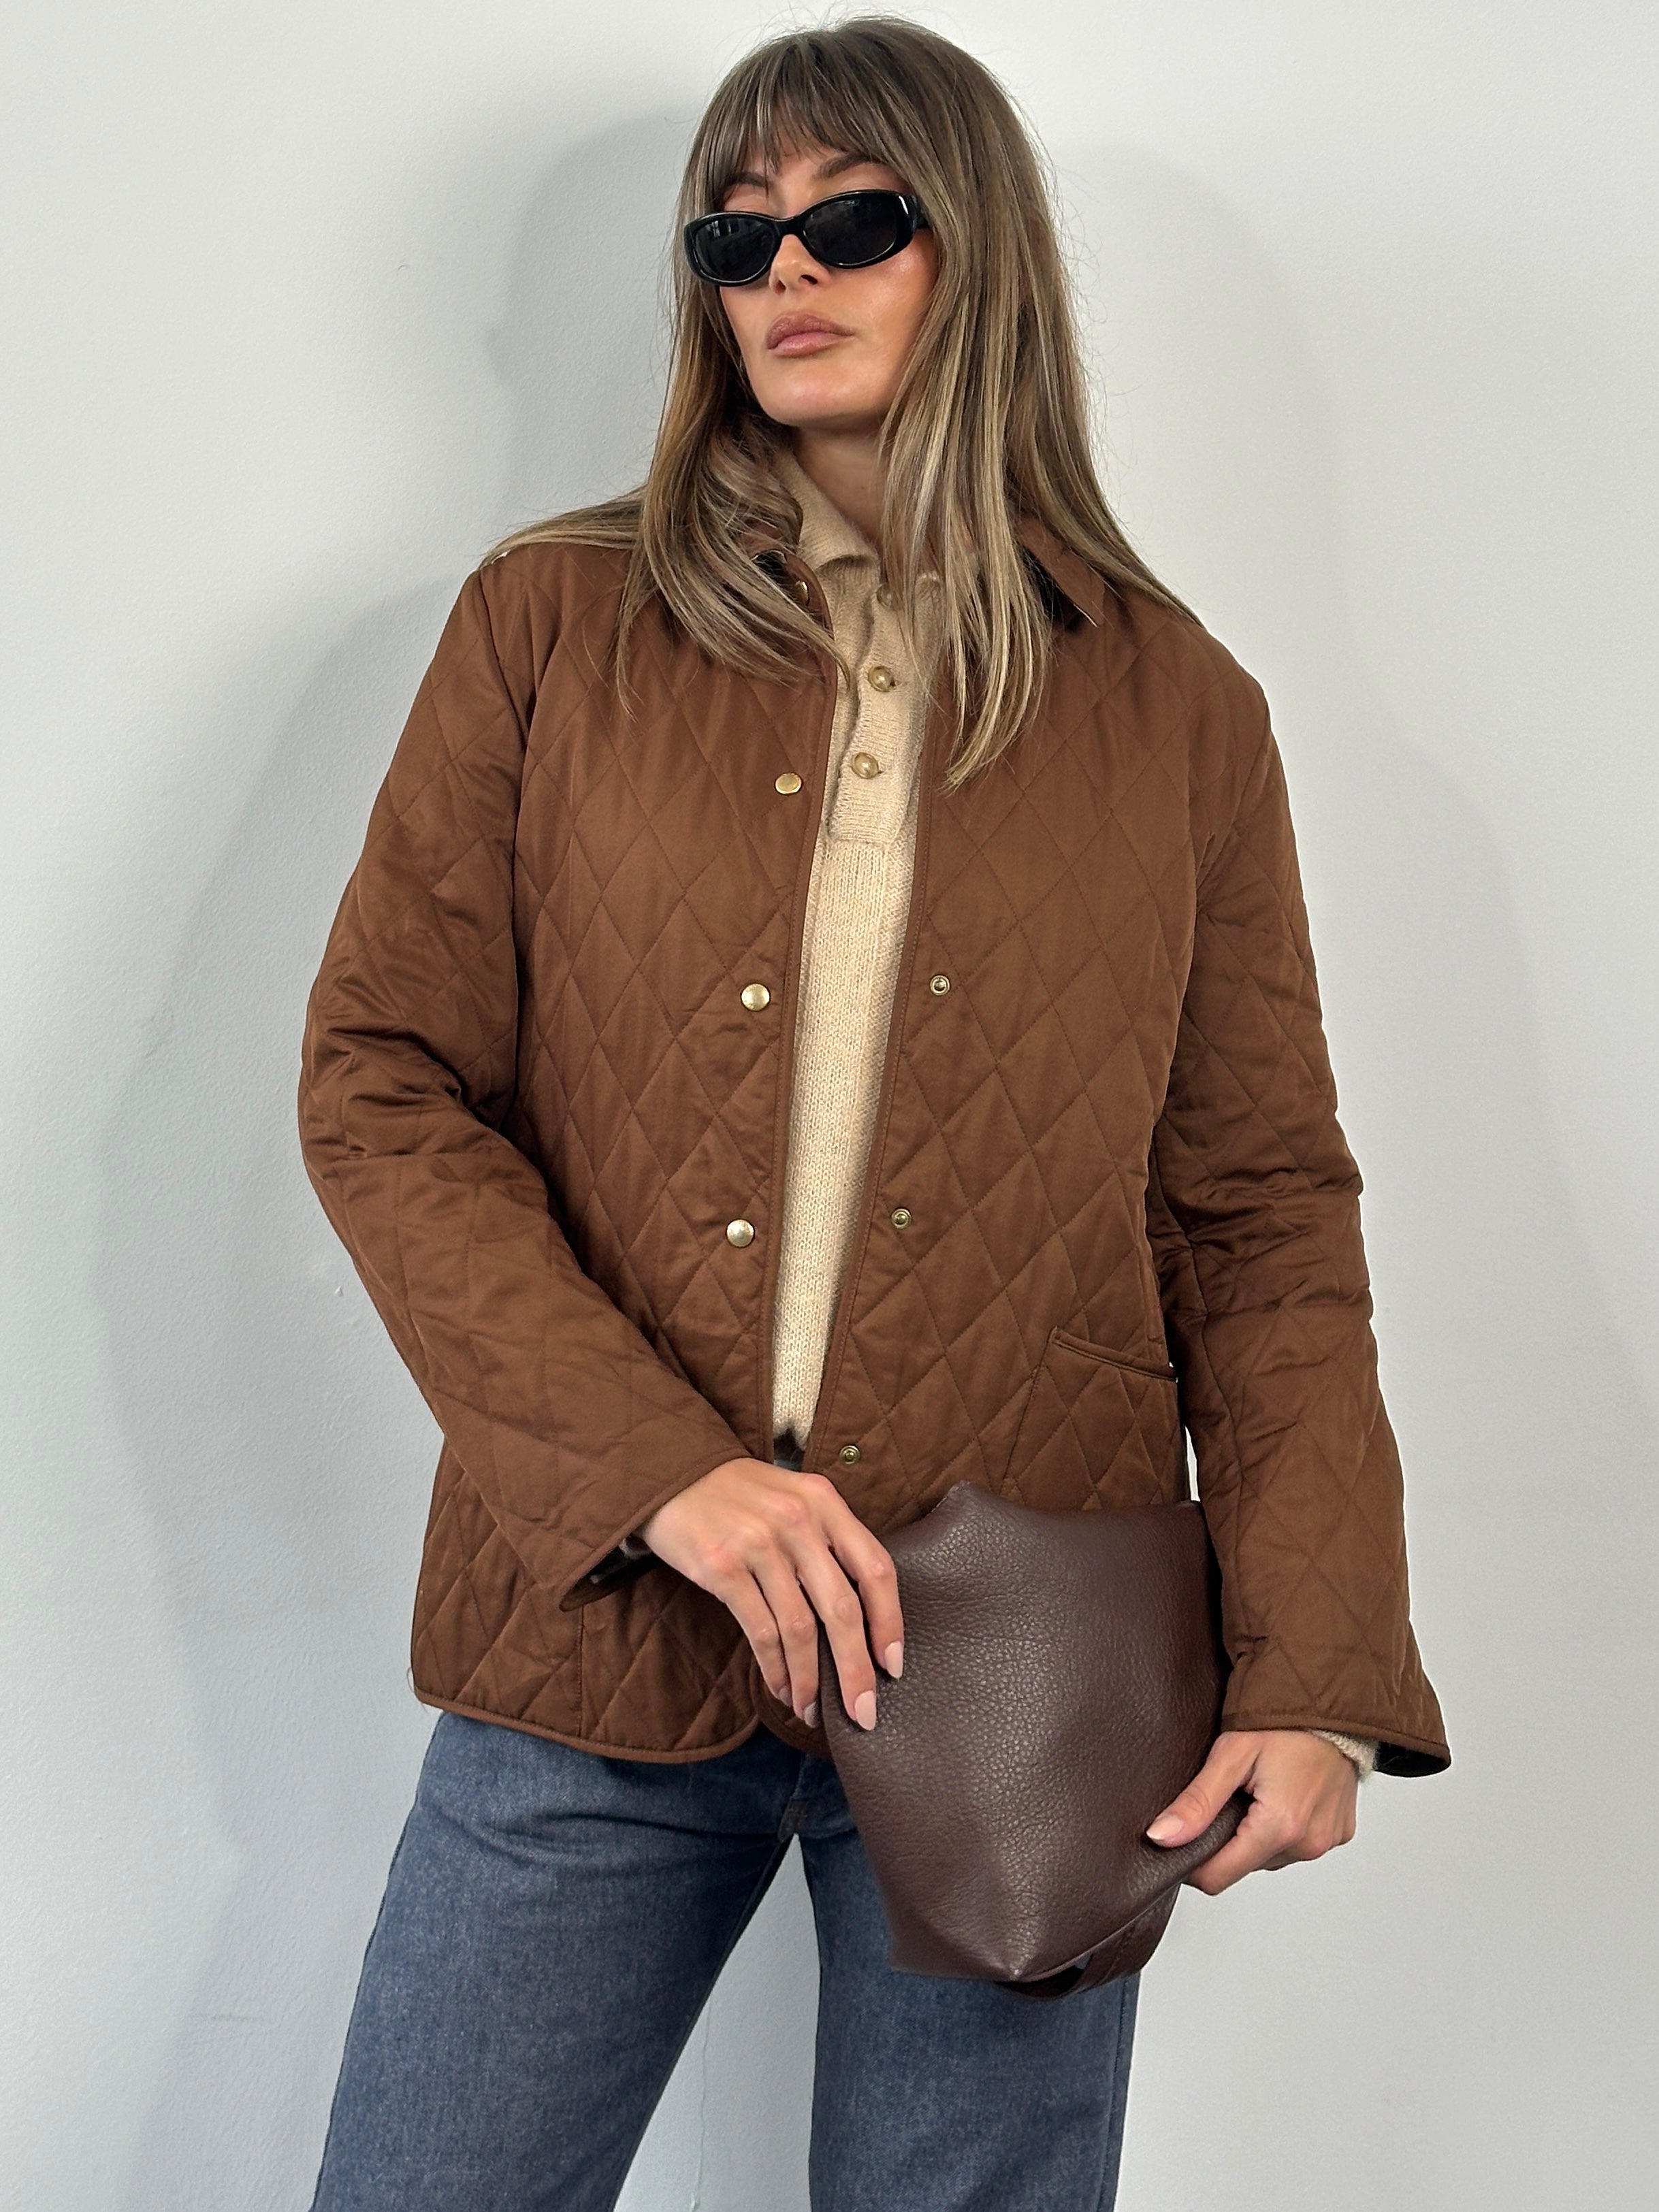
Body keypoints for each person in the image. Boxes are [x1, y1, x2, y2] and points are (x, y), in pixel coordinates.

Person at [295, 17, 1449, 2210]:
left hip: (1027, 1662)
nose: (786, 273)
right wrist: (663, 1476)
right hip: (600, 1622)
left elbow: (1261, 1210)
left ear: (974, 246)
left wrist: (1317, 1666)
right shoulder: (552, 626)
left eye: (852, 220)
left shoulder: (1177, 707)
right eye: (736, 238)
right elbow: (384, 1082)